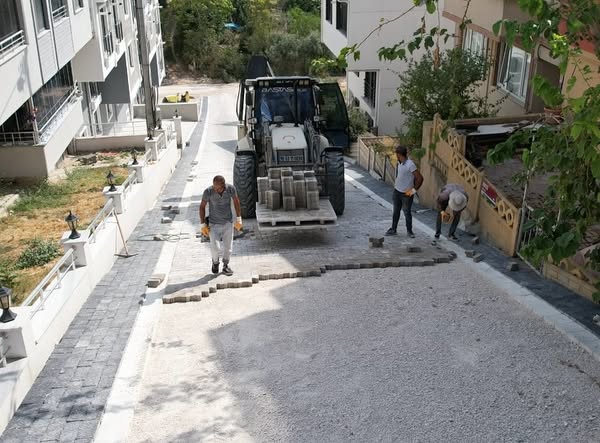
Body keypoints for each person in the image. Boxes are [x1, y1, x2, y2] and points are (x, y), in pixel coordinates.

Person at [199, 176, 243, 276]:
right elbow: (202, 207)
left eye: (218, 188)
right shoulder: (208, 192)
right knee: (215, 248)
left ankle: (226, 266)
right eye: (214, 186)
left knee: (228, 248)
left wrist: (238, 218)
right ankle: (215, 262)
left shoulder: (230, 189)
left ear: (224, 186)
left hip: (228, 223)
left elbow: (236, 201)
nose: (216, 189)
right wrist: (202, 224)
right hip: (213, 225)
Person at [386, 145, 423, 238]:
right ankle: (393, 229)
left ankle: (409, 231)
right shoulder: (399, 163)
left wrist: (412, 191)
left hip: (406, 194)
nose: (396, 156)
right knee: (396, 211)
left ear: (399, 154)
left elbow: (420, 178)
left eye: (397, 154)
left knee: (407, 212)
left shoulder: (410, 164)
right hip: (397, 191)